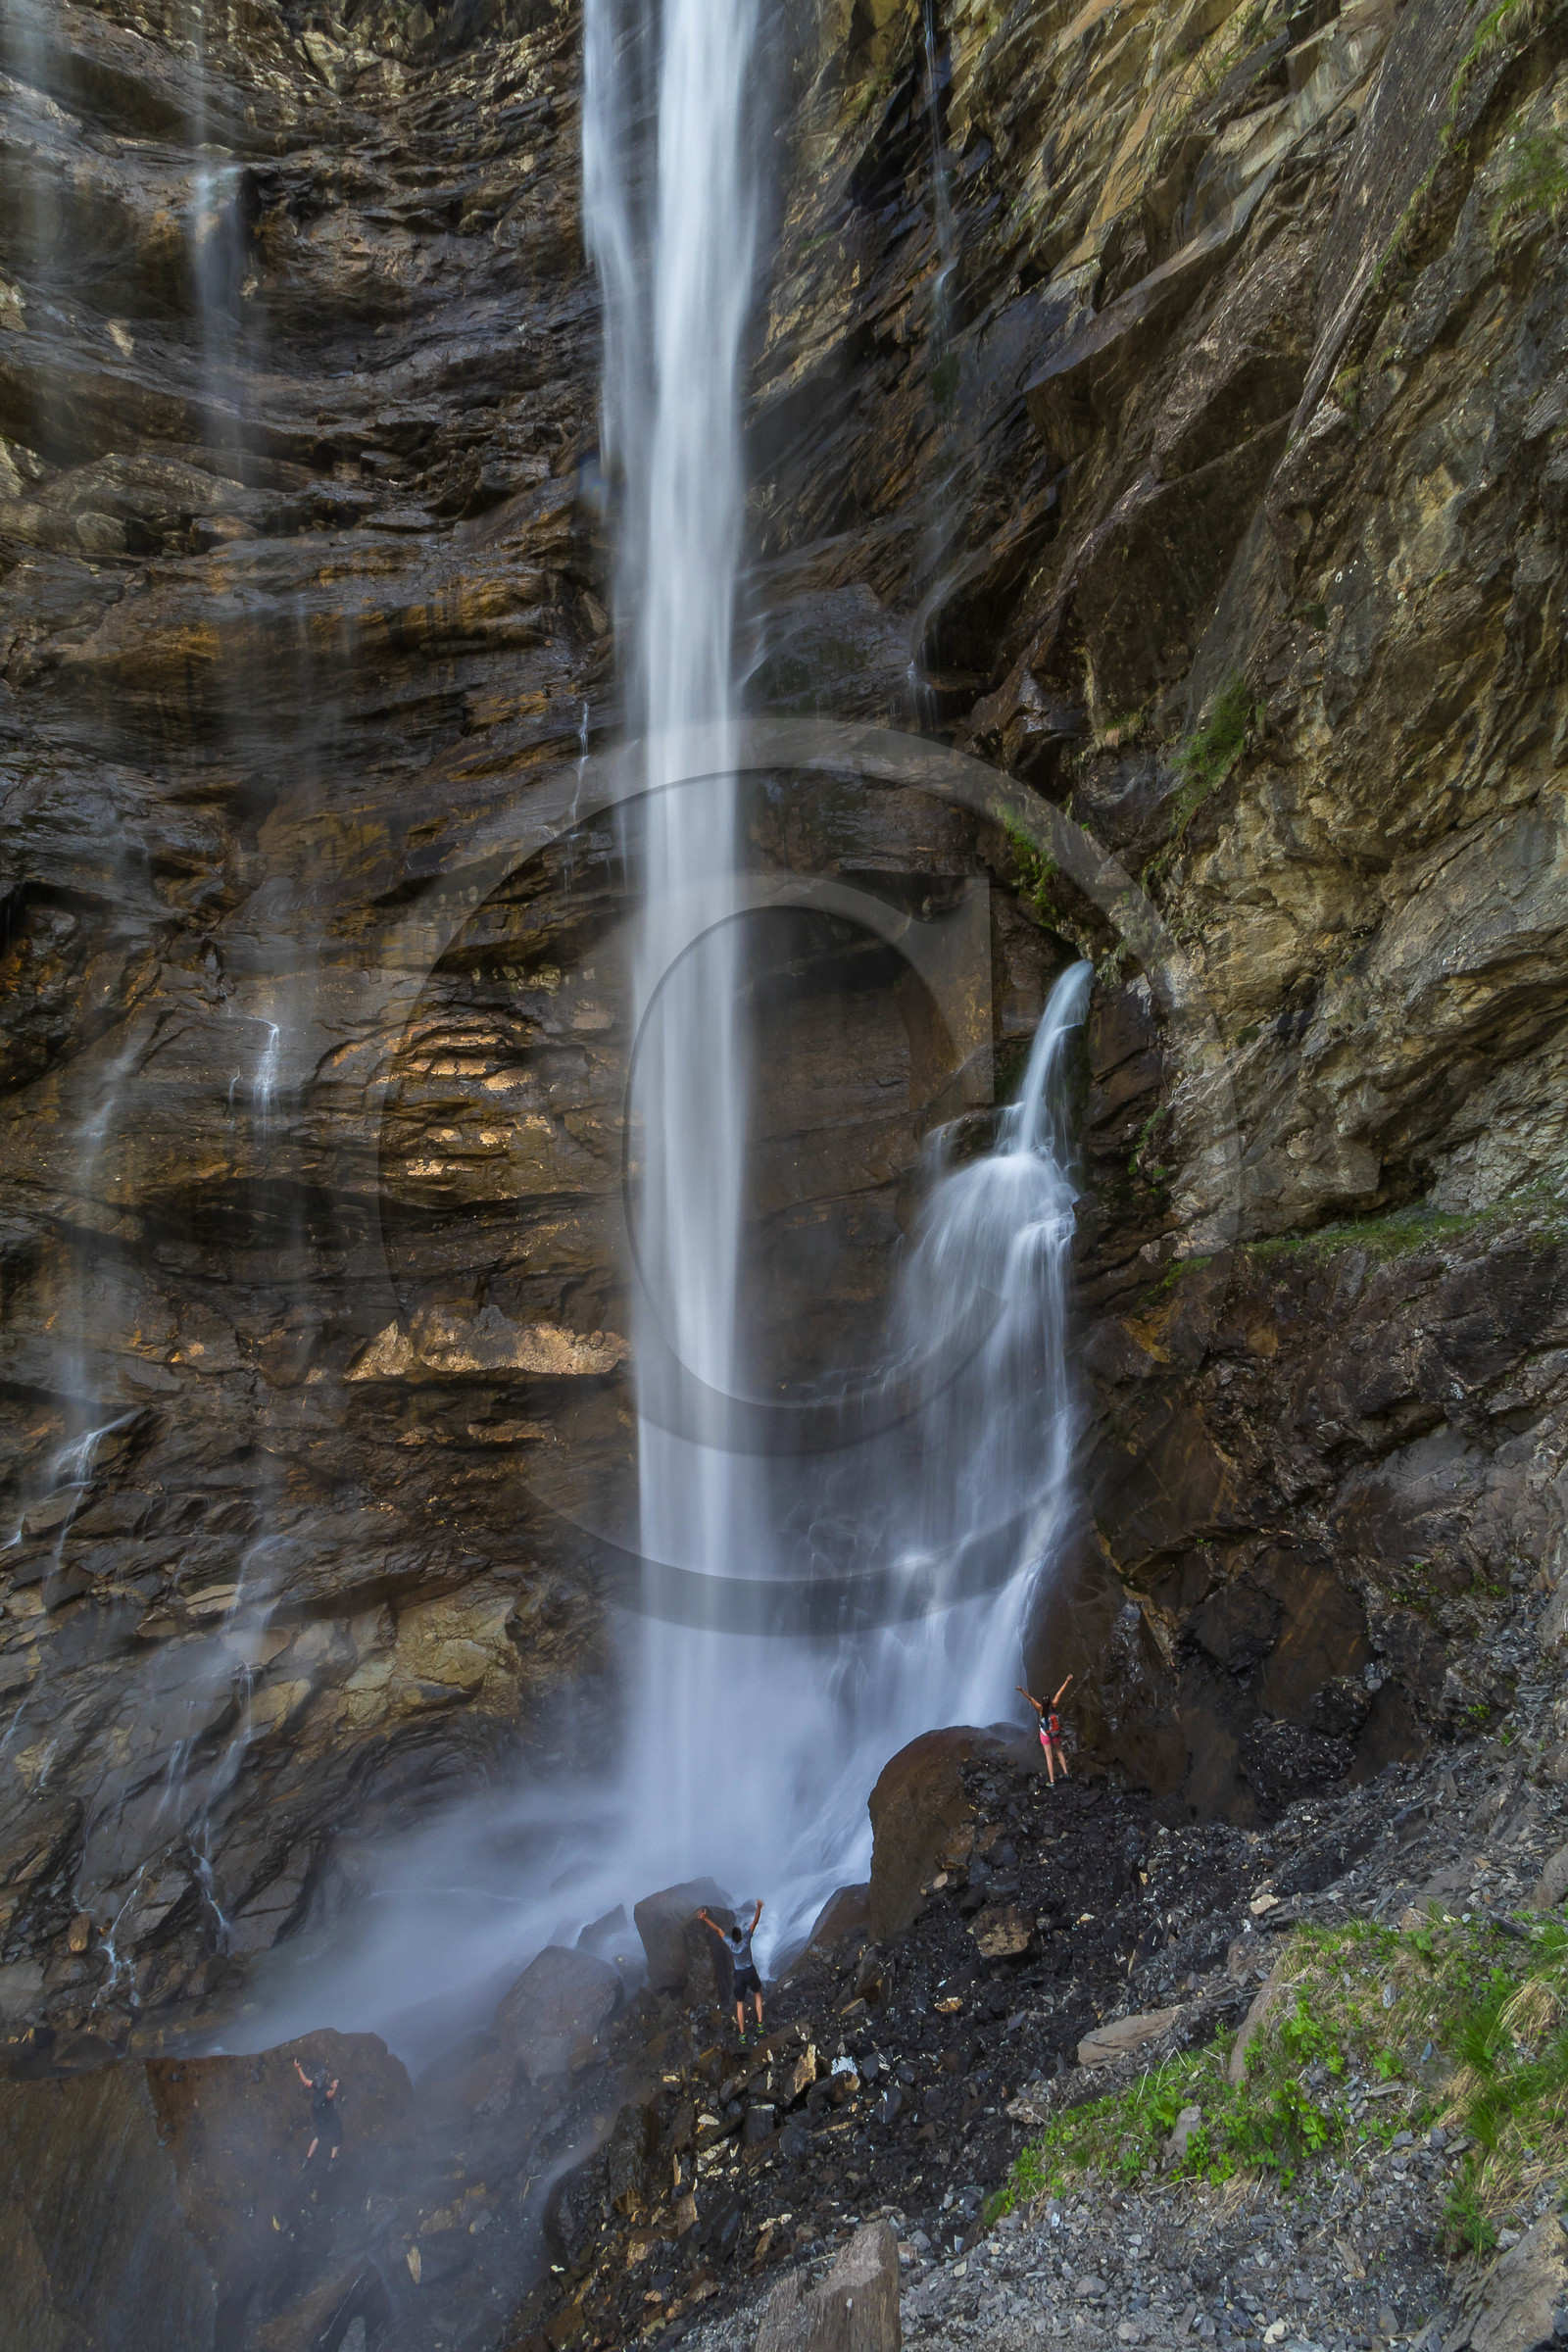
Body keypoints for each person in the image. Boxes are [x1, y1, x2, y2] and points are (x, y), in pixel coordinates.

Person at [696, 1898, 764, 2042]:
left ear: (732, 1938)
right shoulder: (746, 1940)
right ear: (741, 1935)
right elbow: (754, 1923)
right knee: (757, 1995)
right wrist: (758, 1908)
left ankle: (743, 2034)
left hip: (739, 1975)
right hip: (750, 1971)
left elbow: (717, 1930)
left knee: (740, 2004)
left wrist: (705, 1918)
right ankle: (760, 2024)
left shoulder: (730, 1944)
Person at [1017, 1675, 1074, 1786]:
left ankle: (1052, 1781)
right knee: (1059, 1751)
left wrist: (1021, 1690)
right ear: (1049, 1700)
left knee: (1049, 1757)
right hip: (1056, 1733)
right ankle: (1066, 1773)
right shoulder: (1054, 1704)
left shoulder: (1039, 1708)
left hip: (1045, 1734)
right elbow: (1059, 1693)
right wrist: (1067, 1681)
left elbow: (1030, 1698)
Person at [293, 2055, 341, 2170]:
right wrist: (335, 2087)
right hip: (328, 2118)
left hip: (317, 2117)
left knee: (318, 2136)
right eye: (328, 2075)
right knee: (338, 2136)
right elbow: (331, 2095)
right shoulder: (327, 2091)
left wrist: (298, 2068)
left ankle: (307, 2159)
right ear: (326, 2078)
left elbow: (305, 2080)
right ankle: (332, 2162)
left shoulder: (317, 2086)